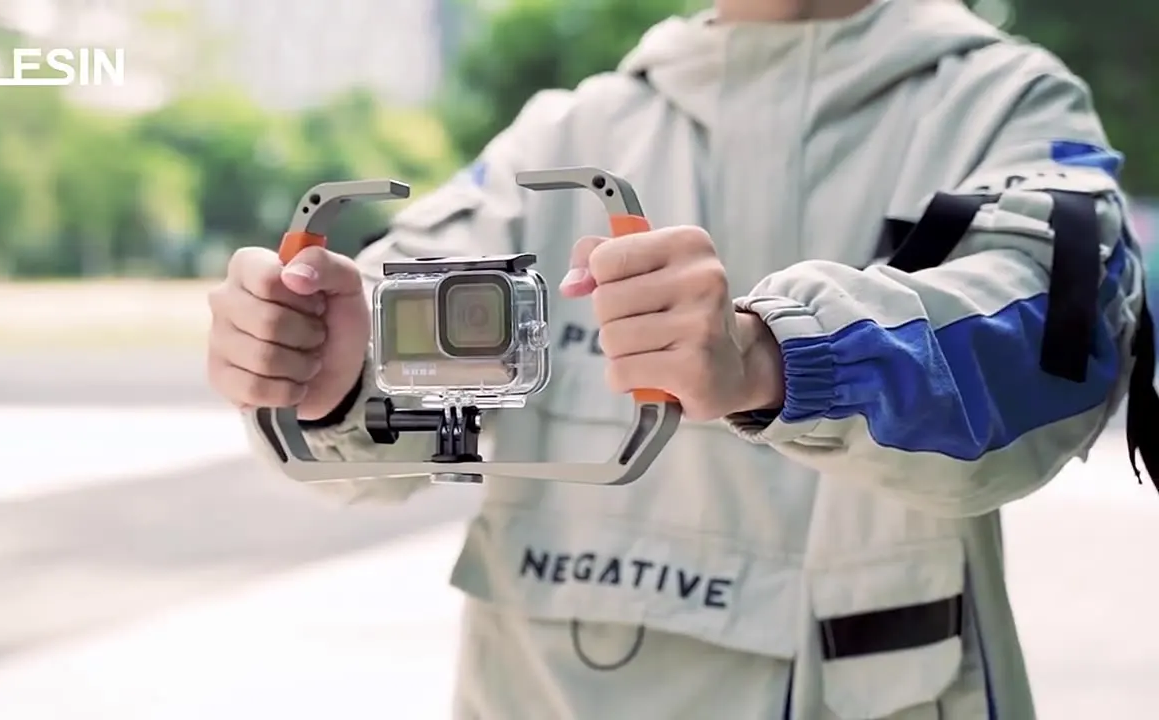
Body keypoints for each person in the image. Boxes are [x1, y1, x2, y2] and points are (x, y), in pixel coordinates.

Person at [206, 0, 1157, 717]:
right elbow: (376, 332)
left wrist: (775, 355)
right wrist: (325, 377)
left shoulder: (1005, 101)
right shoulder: (568, 131)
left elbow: (1052, 342)